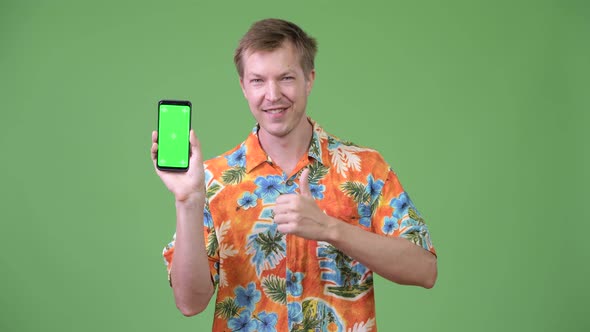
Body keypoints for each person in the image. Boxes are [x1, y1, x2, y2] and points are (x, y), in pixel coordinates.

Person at [152, 18, 437, 331]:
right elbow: (190, 303)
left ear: (309, 79)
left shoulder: (365, 168)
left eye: (286, 78)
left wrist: (331, 228)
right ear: (243, 87)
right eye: (258, 81)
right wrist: (188, 200)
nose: (272, 95)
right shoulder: (212, 181)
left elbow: (424, 270)